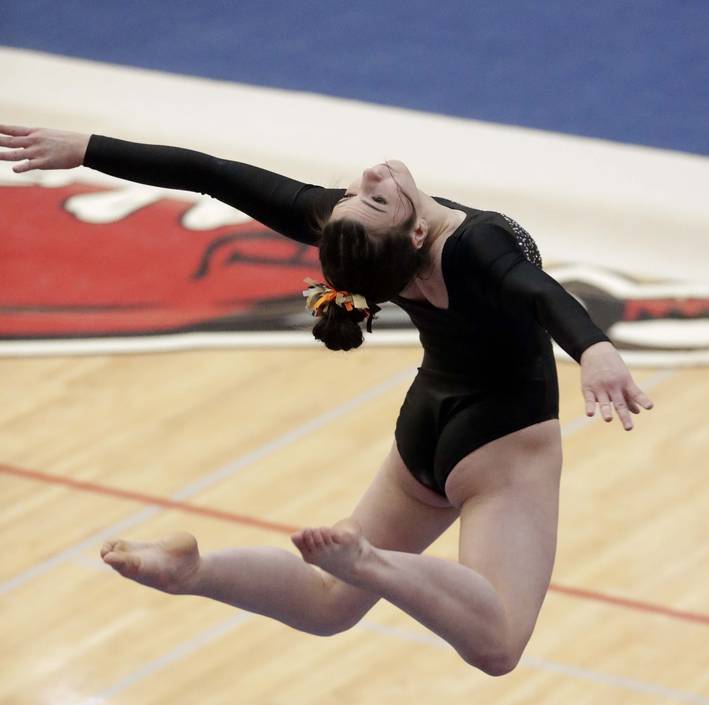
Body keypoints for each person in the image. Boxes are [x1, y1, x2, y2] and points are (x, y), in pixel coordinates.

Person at [0, 124, 653, 676]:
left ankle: (195, 571)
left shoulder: (358, 237)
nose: (368, 177)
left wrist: (86, 147)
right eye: (373, 197)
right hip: (502, 442)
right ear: (417, 234)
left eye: (359, 193)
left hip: (426, 424)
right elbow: (537, 291)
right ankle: (370, 562)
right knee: (498, 640)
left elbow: (211, 173)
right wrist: (591, 346)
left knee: (324, 602)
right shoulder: (472, 243)